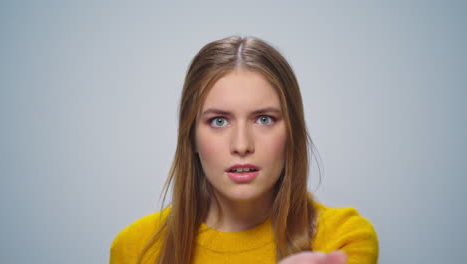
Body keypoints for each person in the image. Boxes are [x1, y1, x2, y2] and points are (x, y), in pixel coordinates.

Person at [110, 36, 378, 264]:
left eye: (264, 119)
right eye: (219, 121)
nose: (241, 145)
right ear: (190, 136)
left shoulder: (343, 240)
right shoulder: (134, 248)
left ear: (291, 133)